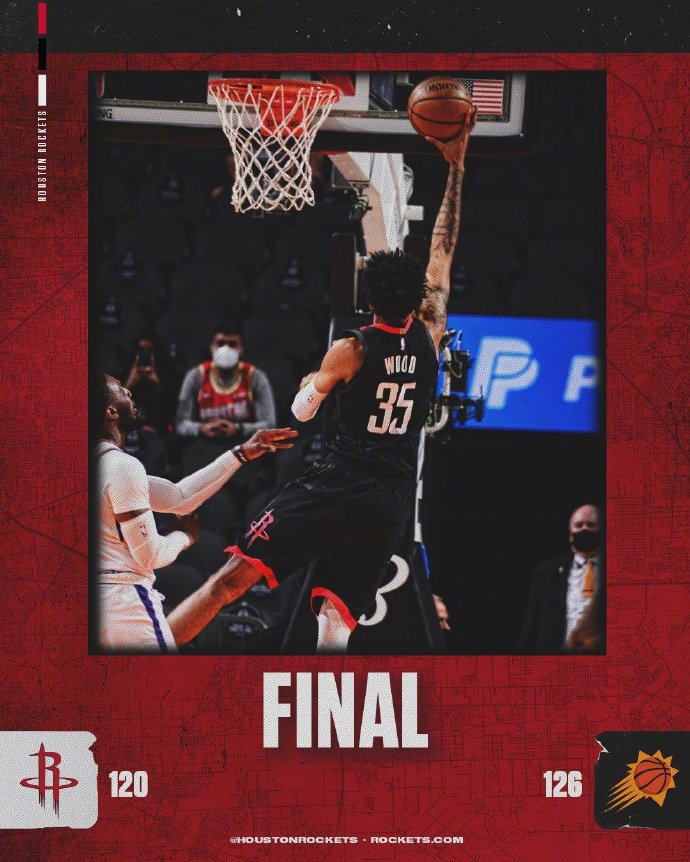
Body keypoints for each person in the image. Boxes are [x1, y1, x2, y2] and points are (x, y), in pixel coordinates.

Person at [166, 116, 476, 653]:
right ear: (416, 298)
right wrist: (457, 168)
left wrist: (314, 380)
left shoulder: (353, 348)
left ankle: (151, 654)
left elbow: (302, 412)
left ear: (368, 298)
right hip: (393, 497)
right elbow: (443, 248)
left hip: (340, 484)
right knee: (336, 615)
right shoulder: (431, 329)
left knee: (229, 582)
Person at [94, 373, 296, 653]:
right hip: (122, 603)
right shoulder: (121, 466)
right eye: (119, 389)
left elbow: (180, 497)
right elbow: (151, 556)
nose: (128, 391)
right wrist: (183, 537)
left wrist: (240, 453)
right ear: (111, 412)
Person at [517, 504, 604, 654]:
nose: (584, 529)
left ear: (602, 532)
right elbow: (531, 627)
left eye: (591, 525)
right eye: (579, 525)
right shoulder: (546, 573)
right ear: (570, 535)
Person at [175, 324, 276, 445]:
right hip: (204, 444)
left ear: (241, 349)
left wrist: (239, 428)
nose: (226, 349)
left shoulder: (255, 377)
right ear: (211, 347)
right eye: (220, 343)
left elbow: (269, 424)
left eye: (232, 344)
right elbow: (181, 424)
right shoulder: (196, 375)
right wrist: (201, 428)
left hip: (244, 443)